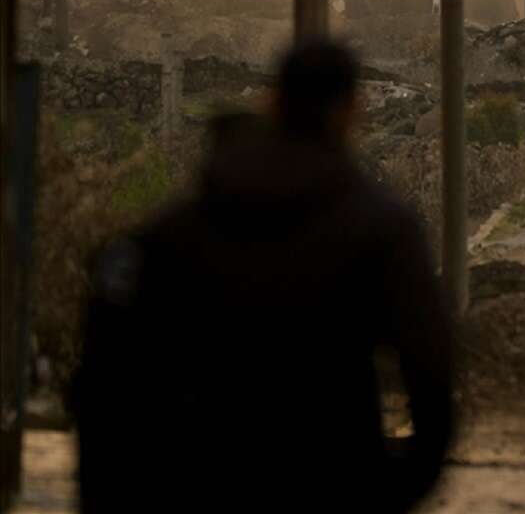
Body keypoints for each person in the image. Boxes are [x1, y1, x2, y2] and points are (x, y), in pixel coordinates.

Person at [74, 41, 455, 513]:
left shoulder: (169, 234)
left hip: (196, 483)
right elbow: (431, 372)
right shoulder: (381, 231)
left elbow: (102, 380)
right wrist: (395, 486)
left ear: (271, 101)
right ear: (353, 110)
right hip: (333, 480)